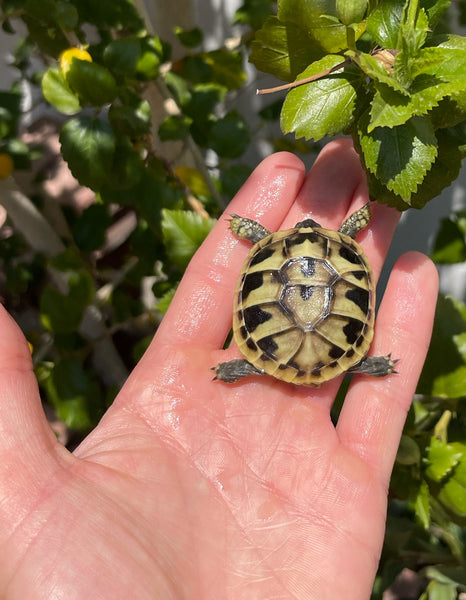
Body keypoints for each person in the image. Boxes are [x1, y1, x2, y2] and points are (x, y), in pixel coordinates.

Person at [0, 140, 438, 599]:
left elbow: (261, 248)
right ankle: (354, 364)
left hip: (267, 341)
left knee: (260, 351)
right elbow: (354, 241)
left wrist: (249, 229)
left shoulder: (268, 245)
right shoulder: (347, 246)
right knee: (342, 349)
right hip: (336, 344)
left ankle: (258, 366)